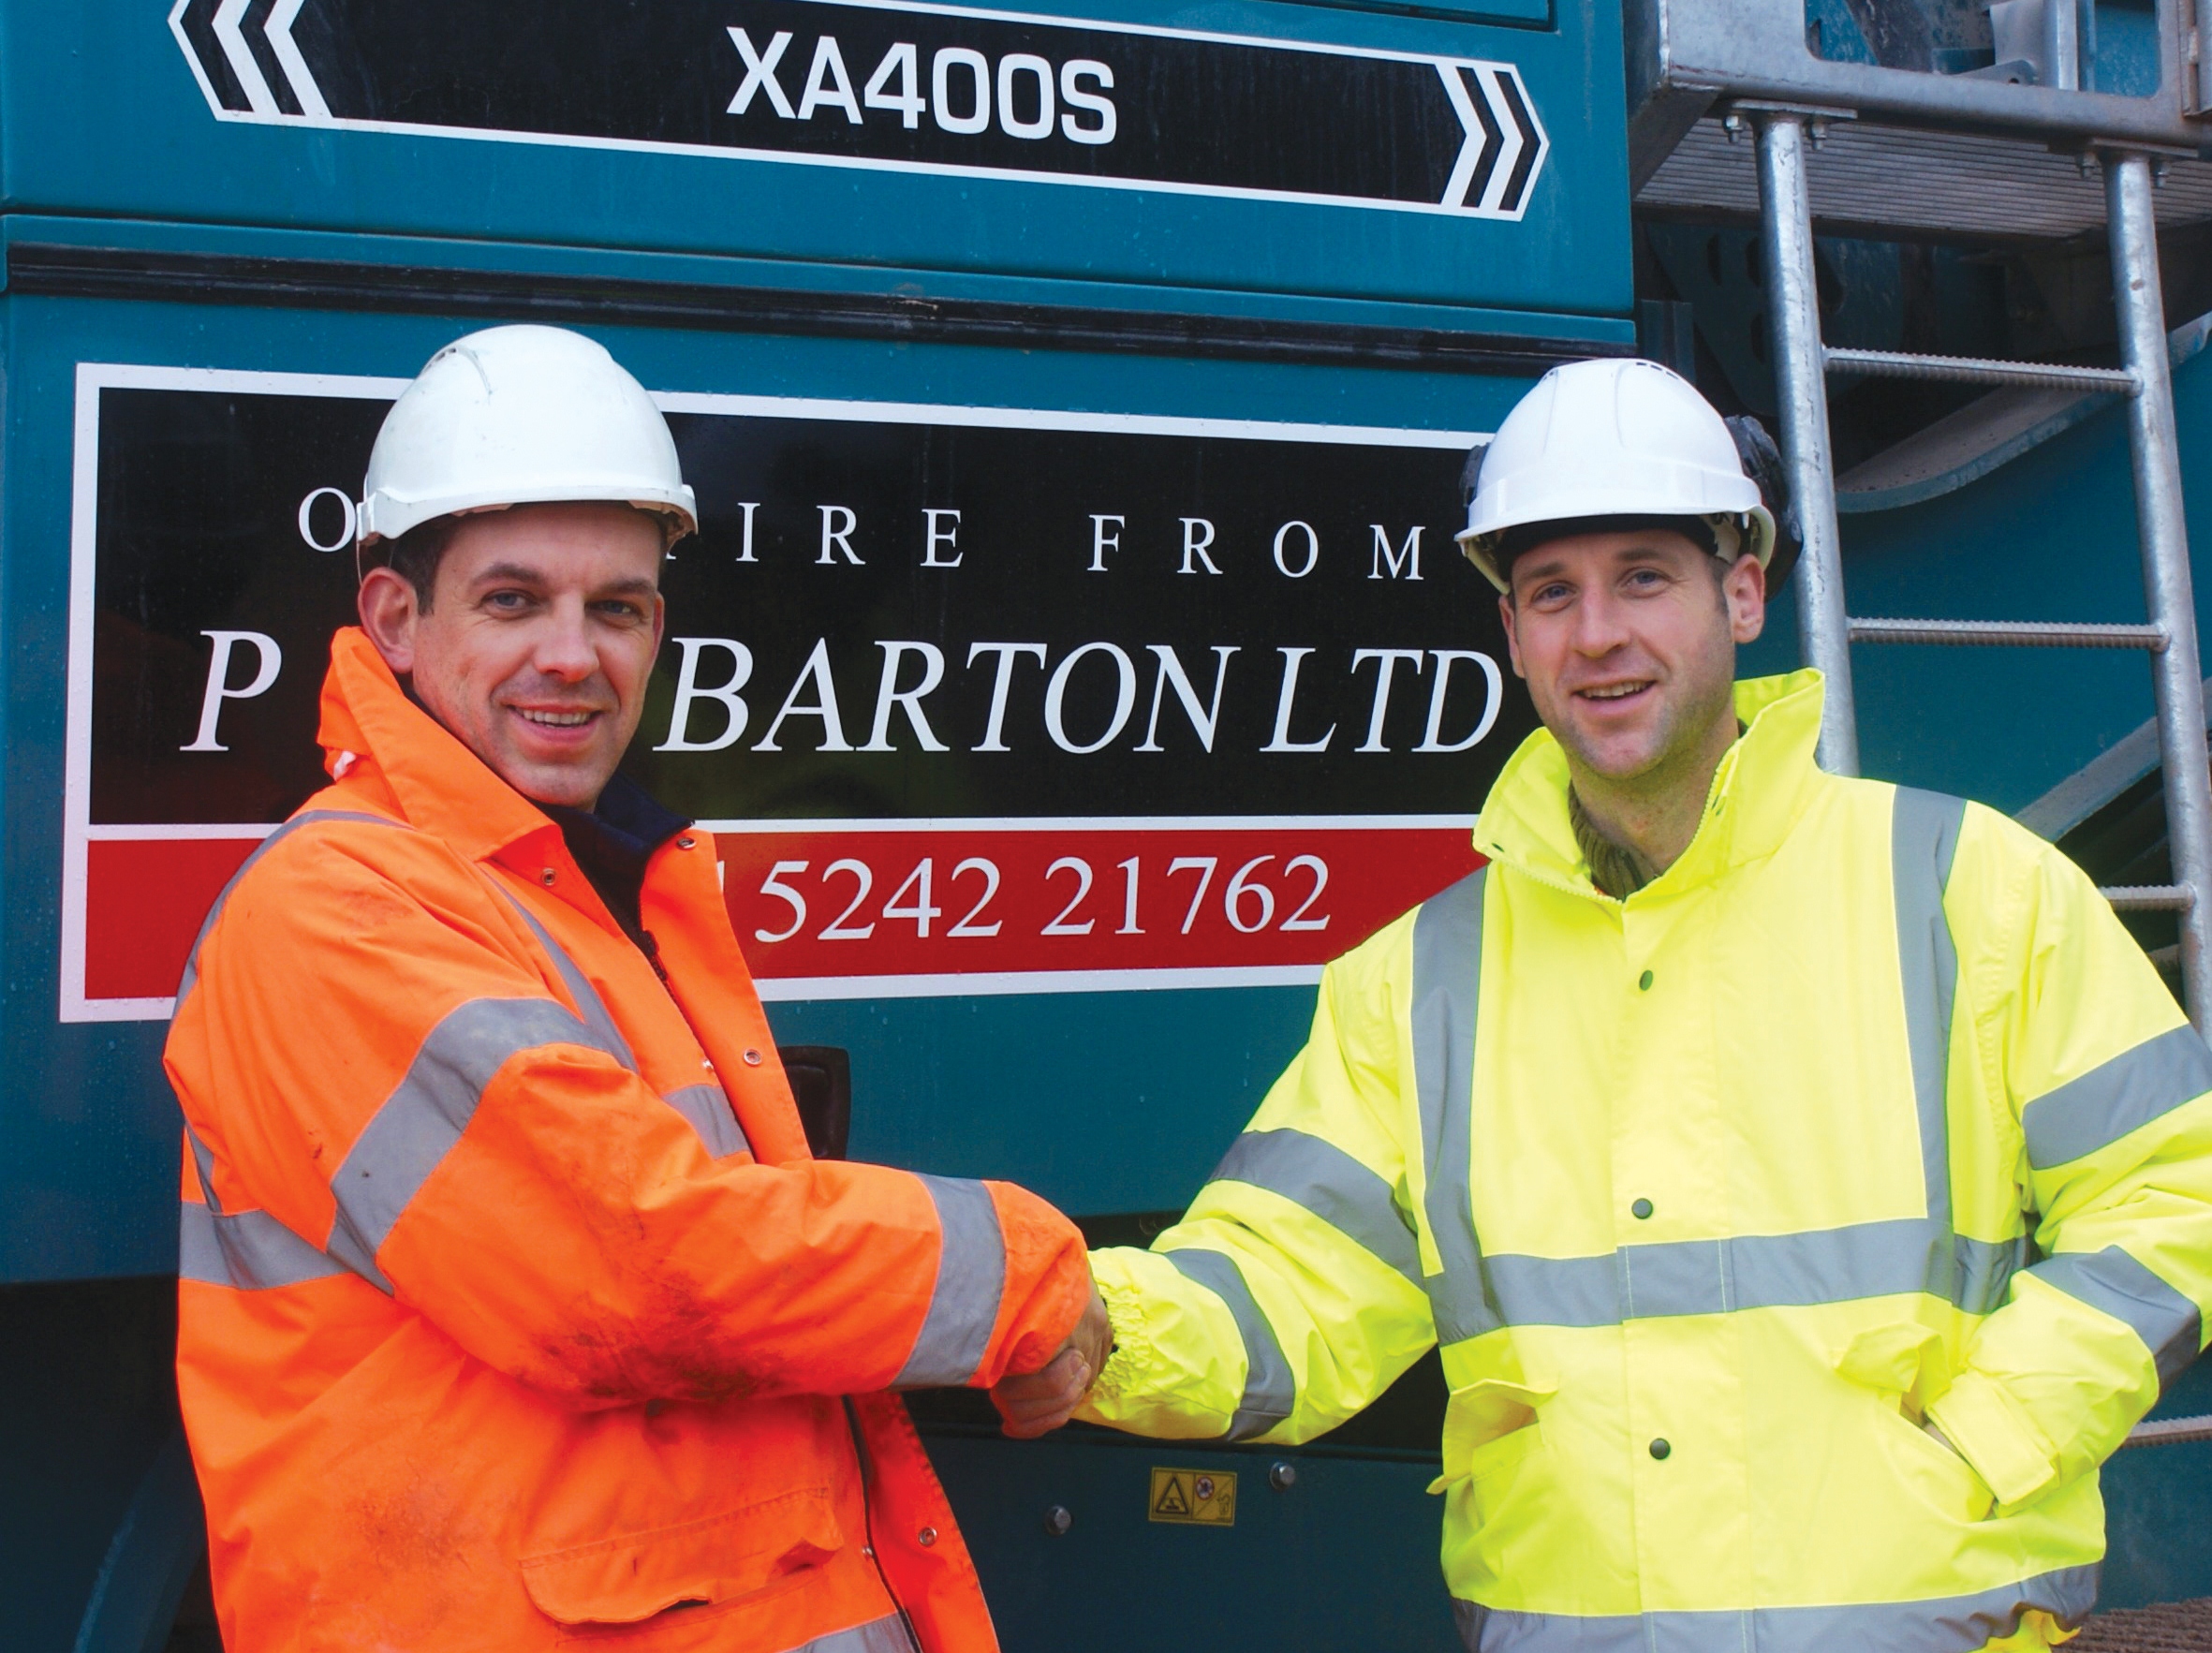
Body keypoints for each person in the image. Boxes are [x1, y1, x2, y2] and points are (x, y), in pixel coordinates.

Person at [995, 358, 2212, 1651]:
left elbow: (2173, 1194)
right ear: (1511, 634)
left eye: (1643, 575)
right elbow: (1282, 1290)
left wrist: (1980, 1447)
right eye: (1550, 592)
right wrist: (1094, 1319)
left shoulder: (1971, 889)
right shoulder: (1416, 983)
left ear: (1740, 593)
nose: (1596, 634)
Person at [167, 324, 1110, 1652]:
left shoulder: (587, 890)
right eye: (511, 600)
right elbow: (638, 1266)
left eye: (614, 607)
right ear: (394, 618)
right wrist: (1018, 1272)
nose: (572, 654)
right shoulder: (334, 913)